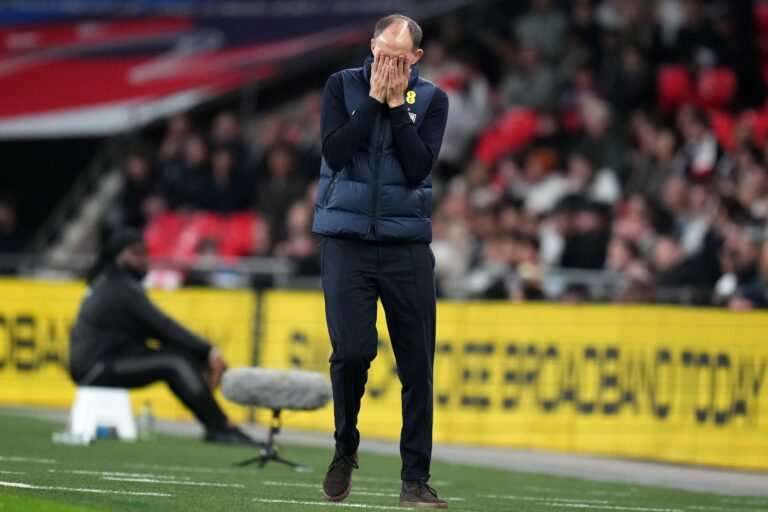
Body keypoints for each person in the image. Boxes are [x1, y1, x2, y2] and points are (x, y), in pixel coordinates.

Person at [312, 14, 449, 509]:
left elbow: (417, 168)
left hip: (406, 245)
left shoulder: (432, 99)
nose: (386, 64)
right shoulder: (341, 87)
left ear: (416, 59)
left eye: (398, 58)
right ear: (371, 47)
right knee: (351, 351)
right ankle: (345, 447)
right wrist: (374, 100)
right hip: (345, 239)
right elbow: (336, 151)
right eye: (381, 54)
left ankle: (415, 478)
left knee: (418, 365)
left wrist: (396, 109)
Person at [68, 229, 259, 445]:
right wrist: (208, 351)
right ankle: (220, 426)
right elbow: (163, 327)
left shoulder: (112, 283)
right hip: (96, 367)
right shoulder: (121, 287)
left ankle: (219, 425)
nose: (144, 260)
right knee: (176, 362)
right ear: (119, 255)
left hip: (100, 361)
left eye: (145, 253)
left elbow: (158, 331)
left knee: (178, 357)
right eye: (136, 253)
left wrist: (200, 354)